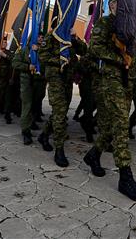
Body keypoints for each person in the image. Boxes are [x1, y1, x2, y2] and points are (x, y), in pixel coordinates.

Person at [83, 0, 136, 202]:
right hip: (111, 78)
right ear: (111, 6)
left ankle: (93, 155)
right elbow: (95, 48)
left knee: (112, 126)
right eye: (118, 4)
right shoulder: (105, 23)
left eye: (125, 4)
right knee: (122, 124)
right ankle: (125, 176)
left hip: (128, 79)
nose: (121, 7)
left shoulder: (130, 24)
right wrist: (119, 58)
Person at [38, 26, 86, 167]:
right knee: (59, 112)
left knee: (61, 112)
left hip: (67, 79)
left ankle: (44, 135)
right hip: (55, 77)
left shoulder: (70, 36)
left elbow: (83, 50)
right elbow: (42, 56)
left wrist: (74, 37)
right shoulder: (51, 36)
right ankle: (59, 149)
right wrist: (61, 59)